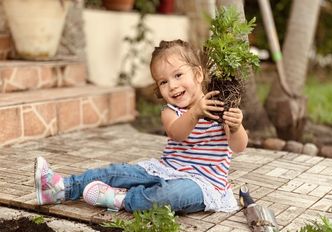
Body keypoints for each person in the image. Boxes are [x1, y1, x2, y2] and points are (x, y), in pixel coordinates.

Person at [34, 39, 248, 214]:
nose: (172, 86)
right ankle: (61, 188)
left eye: (178, 75)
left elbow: (238, 146)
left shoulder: (219, 108)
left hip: (203, 185)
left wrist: (237, 127)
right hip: (166, 169)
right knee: (118, 171)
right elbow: (177, 133)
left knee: (171, 195)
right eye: (163, 82)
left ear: (198, 75)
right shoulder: (171, 111)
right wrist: (194, 113)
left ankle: (122, 199)